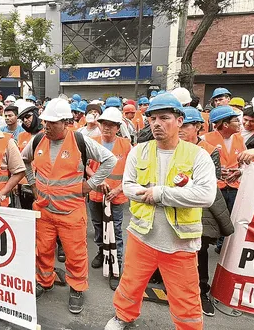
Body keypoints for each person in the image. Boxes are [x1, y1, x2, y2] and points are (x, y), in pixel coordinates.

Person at [105, 93, 216, 330]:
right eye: (152, 118)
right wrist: (165, 195)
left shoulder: (198, 155)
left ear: (179, 120)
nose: (156, 123)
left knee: (185, 297)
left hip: (180, 242)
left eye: (164, 117)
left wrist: (158, 194)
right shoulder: (139, 151)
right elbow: (128, 187)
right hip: (142, 235)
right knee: (130, 284)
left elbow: (205, 196)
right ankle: (123, 316)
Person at [21, 98, 117, 314]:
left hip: (71, 212)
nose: (46, 127)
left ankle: (77, 288)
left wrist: (90, 185)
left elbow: (110, 160)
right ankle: (44, 281)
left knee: (76, 254)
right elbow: (24, 159)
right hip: (44, 210)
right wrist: (33, 183)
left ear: (66, 123)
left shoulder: (80, 141)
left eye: (52, 124)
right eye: (45, 122)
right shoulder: (38, 140)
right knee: (43, 250)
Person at [179, 107, 234, 316]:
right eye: (179, 124)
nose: (181, 129)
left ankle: (201, 290)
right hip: (173, 204)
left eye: (186, 125)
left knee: (199, 249)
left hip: (201, 207)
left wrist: (189, 184)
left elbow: (214, 182)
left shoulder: (210, 150)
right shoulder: (171, 146)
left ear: (198, 127)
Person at [87, 107, 131, 291]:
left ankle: (116, 268)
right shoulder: (92, 142)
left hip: (116, 196)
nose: (107, 128)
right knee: (98, 226)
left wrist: (119, 188)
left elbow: (132, 173)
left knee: (116, 232)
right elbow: (86, 167)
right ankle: (101, 251)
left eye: (111, 125)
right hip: (96, 194)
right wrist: (98, 181)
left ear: (118, 127)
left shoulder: (126, 146)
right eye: (104, 124)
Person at [203, 105, 245, 253]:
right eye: (236, 121)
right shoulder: (206, 139)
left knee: (232, 218)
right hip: (215, 187)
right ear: (225, 124)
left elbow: (246, 163)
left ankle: (224, 246)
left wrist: (240, 171)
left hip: (234, 186)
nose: (240, 124)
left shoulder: (240, 139)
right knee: (213, 219)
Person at [15, 102, 44, 210]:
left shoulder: (46, 134)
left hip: (42, 185)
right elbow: (18, 161)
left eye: (28, 116)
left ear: (36, 115)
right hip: (25, 184)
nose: (25, 120)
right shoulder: (21, 136)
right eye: (23, 118)